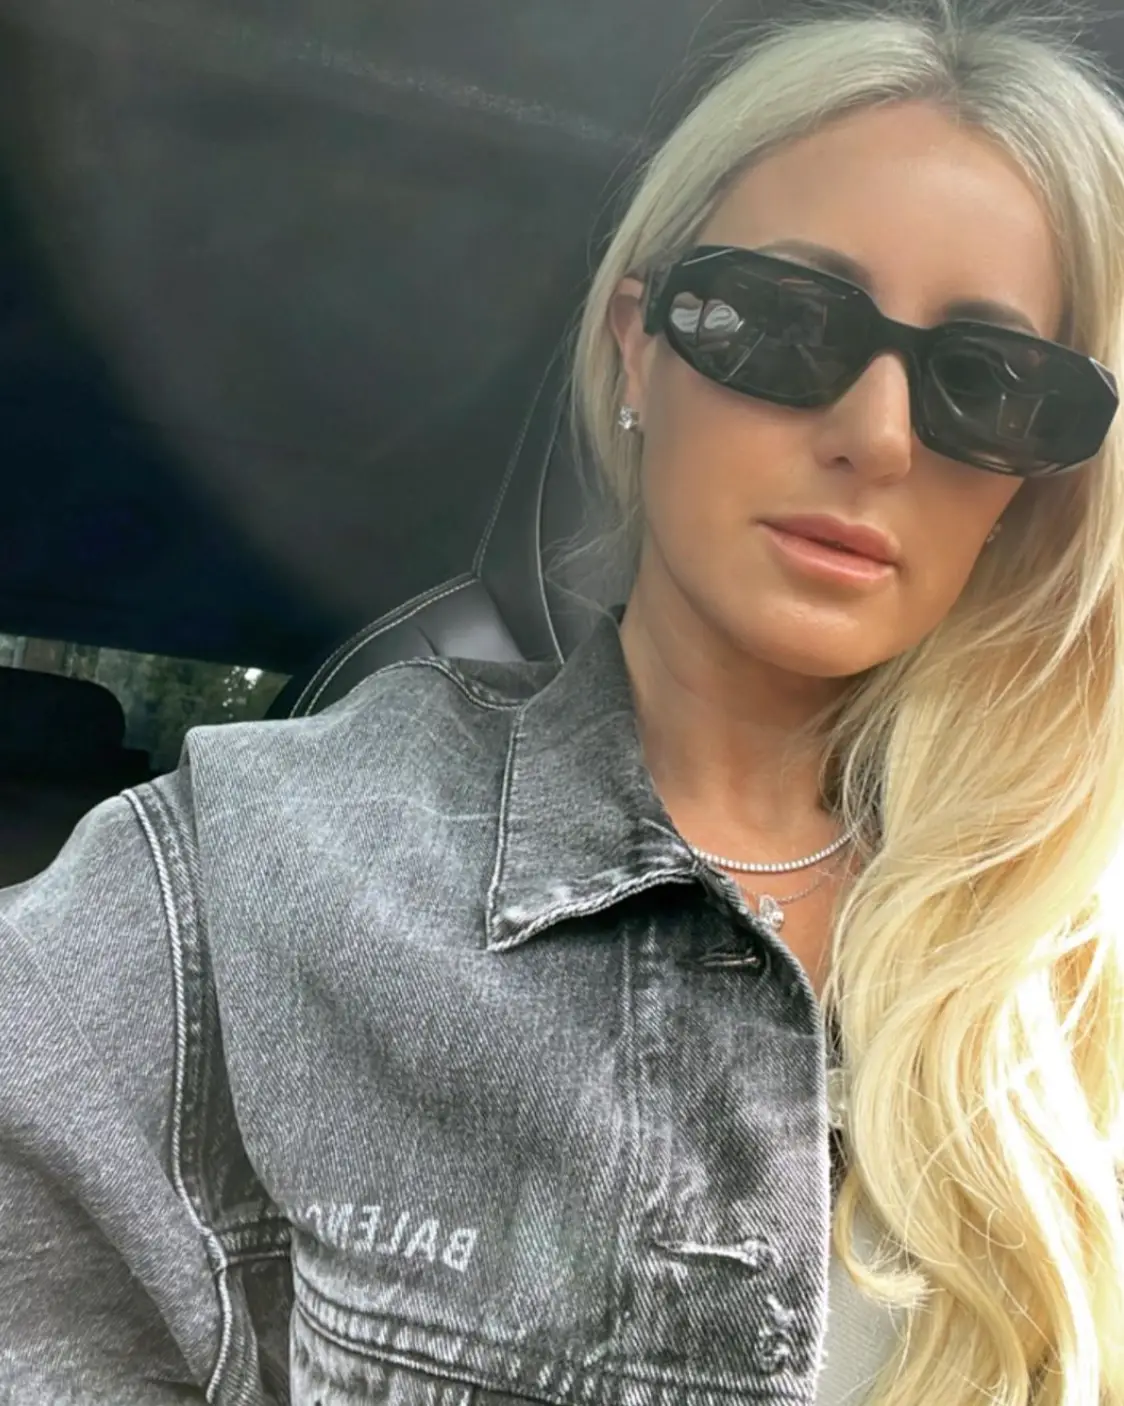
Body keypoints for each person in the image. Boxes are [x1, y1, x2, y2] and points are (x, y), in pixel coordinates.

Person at [3, 0, 1124, 1402]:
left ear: (1040, 478)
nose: (878, 435)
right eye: (784, 322)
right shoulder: (237, 886)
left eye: (992, 384)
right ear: (639, 347)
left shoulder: (1079, 953)